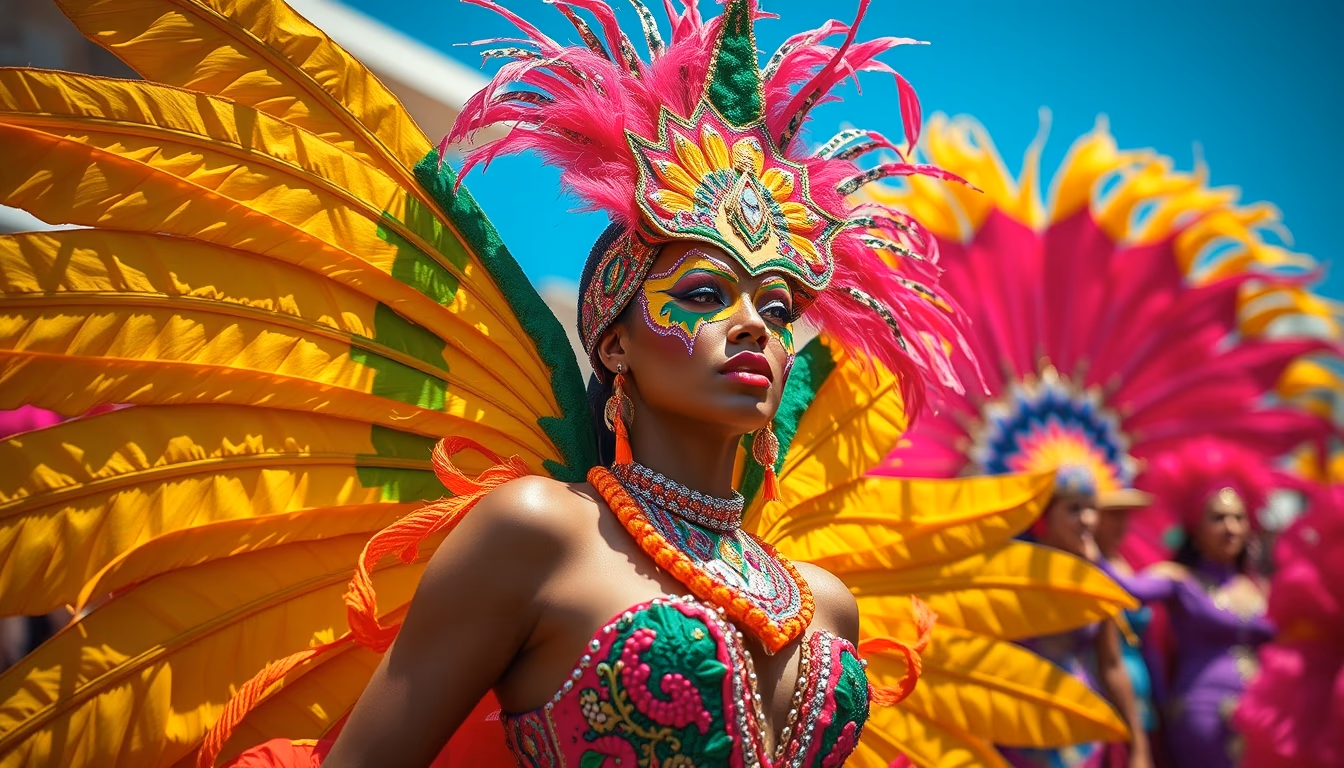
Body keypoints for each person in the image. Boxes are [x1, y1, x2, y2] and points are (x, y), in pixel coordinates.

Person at [0, 1, 1140, 767]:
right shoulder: (538, 533)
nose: (751, 325)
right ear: (613, 337)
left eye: (780, 308)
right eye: (700, 294)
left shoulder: (826, 603)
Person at [1105, 439, 1277, 768]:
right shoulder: (1178, 580)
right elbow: (1124, 587)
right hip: (1201, 717)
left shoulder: (1258, 588)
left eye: (1238, 518)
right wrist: (1088, 539)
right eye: (1219, 518)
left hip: (1259, 716)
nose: (1231, 528)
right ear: (1195, 528)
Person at [998, 472, 1152, 768]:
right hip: (1018, 729)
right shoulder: (1009, 575)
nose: (1087, 520)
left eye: (1091, 508)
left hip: (1082, 732)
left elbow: (1112, 665)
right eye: (1074, 509)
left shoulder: (1095, 580)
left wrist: (1139, 747)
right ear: (1044, 515)